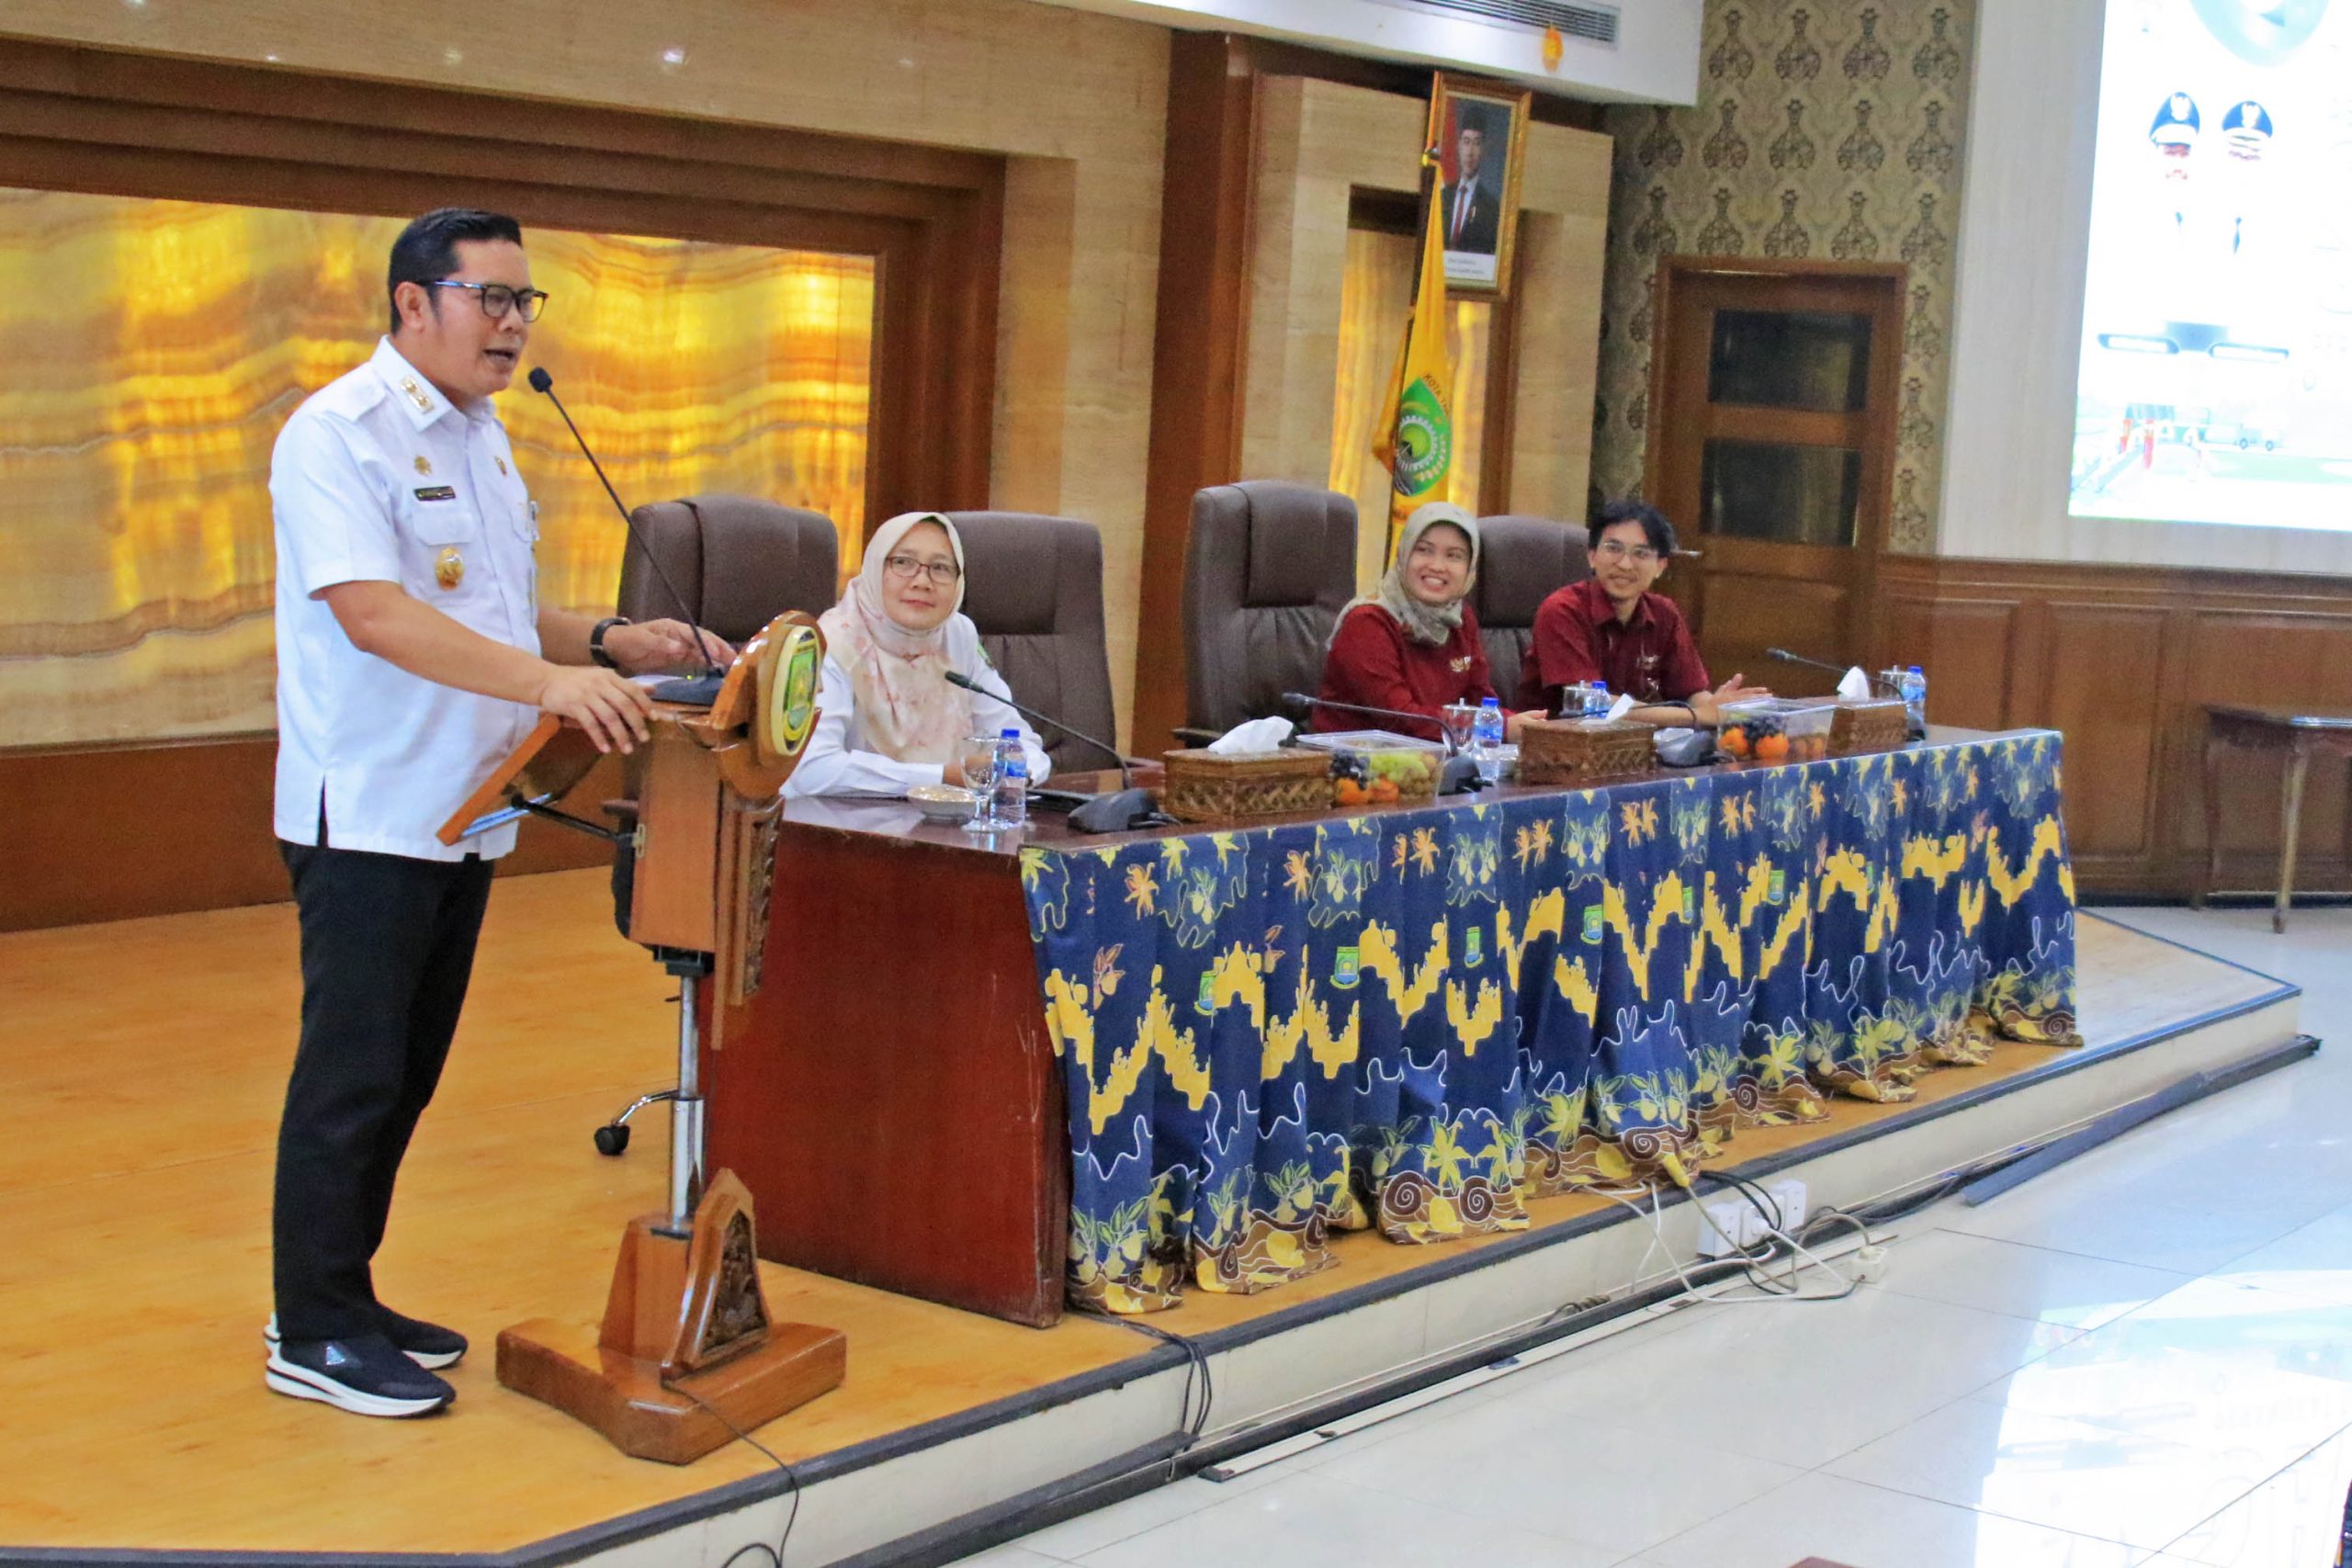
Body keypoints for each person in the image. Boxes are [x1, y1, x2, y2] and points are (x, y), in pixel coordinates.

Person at [266, 208, 723, 1419]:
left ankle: (342, 1291)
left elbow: (501, 617)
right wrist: (548, 684)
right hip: (372, 809)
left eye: (527, 302)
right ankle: (310, 1327)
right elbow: (374, 613)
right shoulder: (339, 433)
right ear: (413, 303)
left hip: (470, 804)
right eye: (493, 299)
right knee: (352, 1079)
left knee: (407, 1075)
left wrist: (613, 641)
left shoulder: (484, 435)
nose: (515, 324)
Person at [785, 511, 1049, 797]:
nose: (922, 581)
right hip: (836, 820)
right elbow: (812, 770)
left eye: (940, 568)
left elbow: (1016, 740)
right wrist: (943, 777)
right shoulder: (831, 643)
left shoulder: (957, 635)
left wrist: (1024, 772)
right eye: (903, 563)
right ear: (875, 568)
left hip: (946, 819)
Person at [1517, 500, 1766, 725]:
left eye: (1641, 553)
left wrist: (1718, 707)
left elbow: (1691, 692)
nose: (1625, 564)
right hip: (1558, 747)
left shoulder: (1664, 614)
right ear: (1592, 556)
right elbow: (1591, 705)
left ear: (1660, 566)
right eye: (1613, 549)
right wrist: (1698, 716)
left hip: (1638, 747)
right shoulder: (1562, 610)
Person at [1315, 502, 1539, 745]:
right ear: (1403, 555)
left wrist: (1525, 725)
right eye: (1424, 550)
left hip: (1435, 758)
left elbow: (1480, 699)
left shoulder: (1460, 619)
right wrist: (1499, 727)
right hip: (1355, 761)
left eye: (1454, 556)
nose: (1437, 566)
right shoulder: (1368, 622)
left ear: (1470, 568)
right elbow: (1400, 718)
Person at [1442, 117, 1500, 255]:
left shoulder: (1492, 208)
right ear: (1459, 146)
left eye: (1477, 143)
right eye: (1466, 142)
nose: (1470, 152)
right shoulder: (1442, 196)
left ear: (1484, 149)